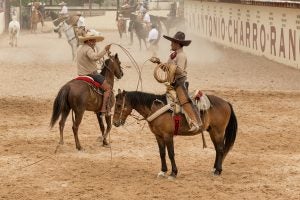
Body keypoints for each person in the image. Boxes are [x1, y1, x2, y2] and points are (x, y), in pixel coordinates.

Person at [152, 31, 202, 132]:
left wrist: (169, 66)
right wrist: (159, 63)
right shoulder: (173, 55)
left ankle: (195, 122)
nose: (171, 44)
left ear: (178, 44)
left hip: (180, 83)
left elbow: (180, 70)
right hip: (173, 83)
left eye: (173, 42)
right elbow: (167, 69)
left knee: (183, 101)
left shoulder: (181, 56)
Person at [77, 32, 112, 115]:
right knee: (107, 88)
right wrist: (105, 50)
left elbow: (94, 57)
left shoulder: (80, 48)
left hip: (81, 73)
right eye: (93, 41)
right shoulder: (88, 49)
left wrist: (105, 53)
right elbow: (95, 57)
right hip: (90, 74)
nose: (95, 43)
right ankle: (104, 109)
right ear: (89, 41)